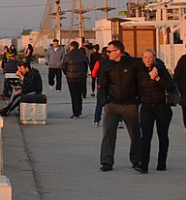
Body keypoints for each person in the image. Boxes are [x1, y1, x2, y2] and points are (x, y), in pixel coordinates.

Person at [98, 40, 145, 172]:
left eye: (109, 51)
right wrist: (104, 102)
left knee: (135, 134)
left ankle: (137, 160)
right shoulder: (107, 66)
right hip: (112, 104)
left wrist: (138, 100)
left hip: (130, 105)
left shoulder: (134, 64)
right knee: (108, 134)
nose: (107, 54)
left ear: (118, 51)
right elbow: (102, 86)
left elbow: (141, 81)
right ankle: (107, 161)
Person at [136, 49, 175, 173]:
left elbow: (171, 86)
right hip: (147, 107)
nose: (148, 60)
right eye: (145, 57)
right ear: (142, 59)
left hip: (162, 107)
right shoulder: (139, 72)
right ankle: (143, 164)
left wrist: (158, 79)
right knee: (145, 136)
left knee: (162, 135)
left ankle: (161, 162)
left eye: (150, 57)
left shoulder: (162, 70)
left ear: (154, 58)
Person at [62, 41, 91, 119]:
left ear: (71, 47)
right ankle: (79, 110)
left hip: (71, 78)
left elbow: (64, 67)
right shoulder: (83, 56)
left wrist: (67, 73)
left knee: (73, 95)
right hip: (81, 77)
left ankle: (75, 112)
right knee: (79, 94)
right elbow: (86, 66)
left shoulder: (67, 56)